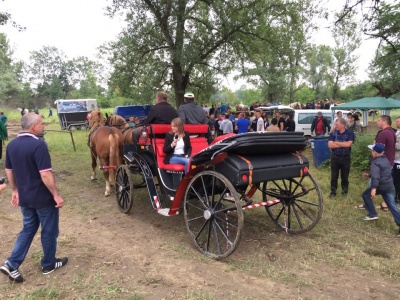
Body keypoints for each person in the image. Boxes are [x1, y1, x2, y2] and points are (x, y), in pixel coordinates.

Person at [1, 113, 67, 283]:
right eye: (41, 123)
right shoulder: (39, 146)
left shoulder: (12, 145)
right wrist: (56, 195)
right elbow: (45, 174)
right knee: (49, 230)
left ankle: (11, 263)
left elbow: (9, 170)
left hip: (25, 197)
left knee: (28, 229)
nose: (43, 126)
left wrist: (15, 190)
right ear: (33, 127)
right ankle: (49, 264)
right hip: (43, 199)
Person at [361, 143, 400, 236]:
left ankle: (372, 214)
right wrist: (369, 175)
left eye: (372, 150)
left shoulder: (375, 162)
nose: (371, 152)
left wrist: (374, 188)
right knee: (392, 206)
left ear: (375, 152)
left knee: (365, 195)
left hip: (381, 186)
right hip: (390, 186)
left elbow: (376, 177)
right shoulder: (386, 159)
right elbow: (383, 172)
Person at [328, 118, 355, 199]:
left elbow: (348, 145)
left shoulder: (350, 133)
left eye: (337, 124)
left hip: (345, 158)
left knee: (345, 176)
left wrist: (336, 142)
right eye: (335, 124)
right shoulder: (333, 133)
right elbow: (330, 145)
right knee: (334, 176)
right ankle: (333, 192)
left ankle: (344, 192)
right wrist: (343, 144)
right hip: (335, 157)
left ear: (343, 125)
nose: (335, 126)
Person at [394, 117, 400, 202]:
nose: (396, 122)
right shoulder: (397, 131)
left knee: (398, 179)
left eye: (398, 121)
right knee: (395, 179)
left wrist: (390, 142)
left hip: (399, 160)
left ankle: (398, 198)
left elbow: (398, 146)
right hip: (395, 159)